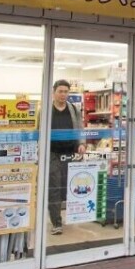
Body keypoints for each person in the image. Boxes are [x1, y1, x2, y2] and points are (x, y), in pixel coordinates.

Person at [48, 79, 84, 235]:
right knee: (54, 188)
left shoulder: (74, 109)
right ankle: (56, 222)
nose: (63, 94)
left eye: (65, 92)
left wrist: (81, 144)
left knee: (69, 187)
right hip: (52, 154)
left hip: (70, 154)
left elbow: (80, 128)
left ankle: (73, 215)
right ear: (54, 92)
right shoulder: (46, 110)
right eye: (60, 91)